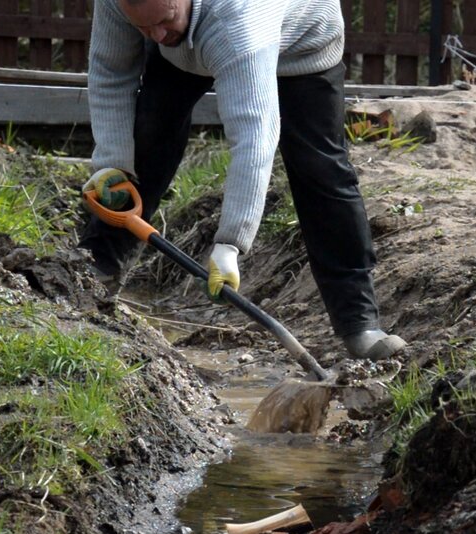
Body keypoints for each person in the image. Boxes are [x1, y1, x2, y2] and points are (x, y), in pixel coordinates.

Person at [80, 0, 406, 360]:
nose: (156, 35)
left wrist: (230, 243)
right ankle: (96, 270)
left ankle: (360, 323)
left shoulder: (237, 23)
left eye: (163, 21)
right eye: (145, 28)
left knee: (320, 171)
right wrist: (110, 161)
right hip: (193, 44)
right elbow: (110, 71)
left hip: (300, 45)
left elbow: (255, 137)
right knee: (149, 135)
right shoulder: (125, 5)